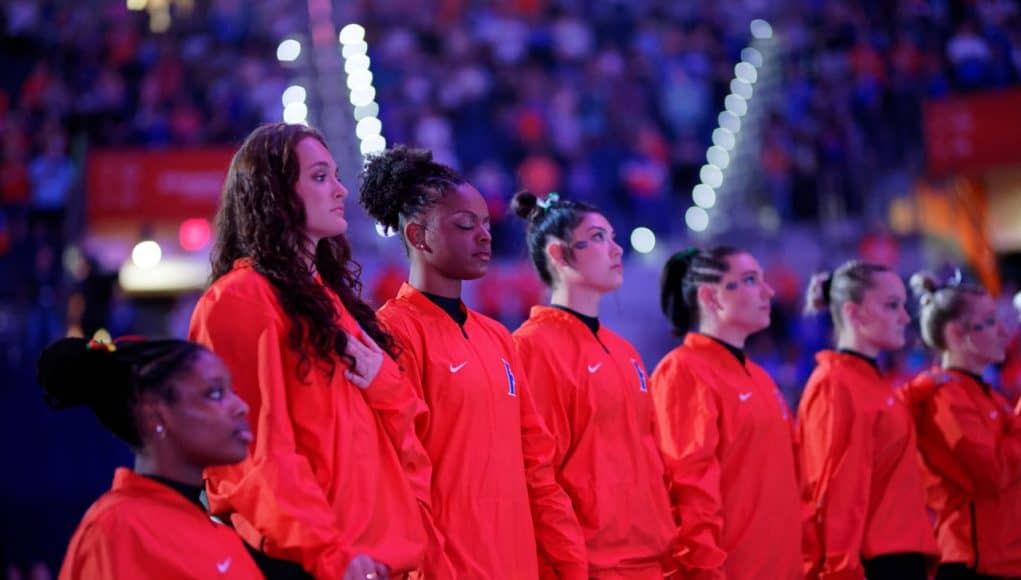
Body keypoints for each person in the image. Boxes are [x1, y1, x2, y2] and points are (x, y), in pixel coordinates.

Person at [188, 123, 436, 579]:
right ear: (274, 193)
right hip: (309, 562)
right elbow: (254, 454)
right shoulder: (239, 300)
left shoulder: (332, 301)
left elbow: (401, 431)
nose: (341, 190)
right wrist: (332, 556)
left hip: (371, 562)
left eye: (336, 175)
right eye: (320, 177)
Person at [359, 146, 588, 579]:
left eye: (486, 224)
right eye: (466, 225)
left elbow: (537, 468)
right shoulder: (394, 333)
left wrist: (569, 564)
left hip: (517, 564)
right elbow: (400, 476)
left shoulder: (498, 338)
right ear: (417, 236)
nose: (485, 236)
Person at [509, 191, 675, 578]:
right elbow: (538, 474)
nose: (616, 249)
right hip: (590, 566)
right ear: (558, 254)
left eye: (613, 237)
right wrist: (570, 566)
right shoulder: (533, 347)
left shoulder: (625, 352)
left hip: (650, 559)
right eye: (599, 237)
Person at [38, 336, 262, 579]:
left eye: (233, 391)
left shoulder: (219, 532)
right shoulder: (120, 529)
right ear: (155, 413)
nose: (241, 406)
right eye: (215, 394)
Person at [651, 247, 802, 579]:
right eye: (750, 280)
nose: (768, 292)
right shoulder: (683, 372)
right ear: (710, 296)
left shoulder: (760, 377)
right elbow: (688, 489)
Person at [799, 260, 938, 580]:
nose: (905, 317)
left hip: (900, 554)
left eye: (903, 305)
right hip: (873, 563)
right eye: (892, 306)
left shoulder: (870, 381)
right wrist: (840, 571)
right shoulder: (834, 384)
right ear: (853, 313)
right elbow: (832, 494)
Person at [900, 271, 1021, 579]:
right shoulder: (946, 399)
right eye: (991, 321)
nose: (1004, 331)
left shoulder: (989, 397)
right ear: (956, 334)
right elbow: (991, 475)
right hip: (972, 563)